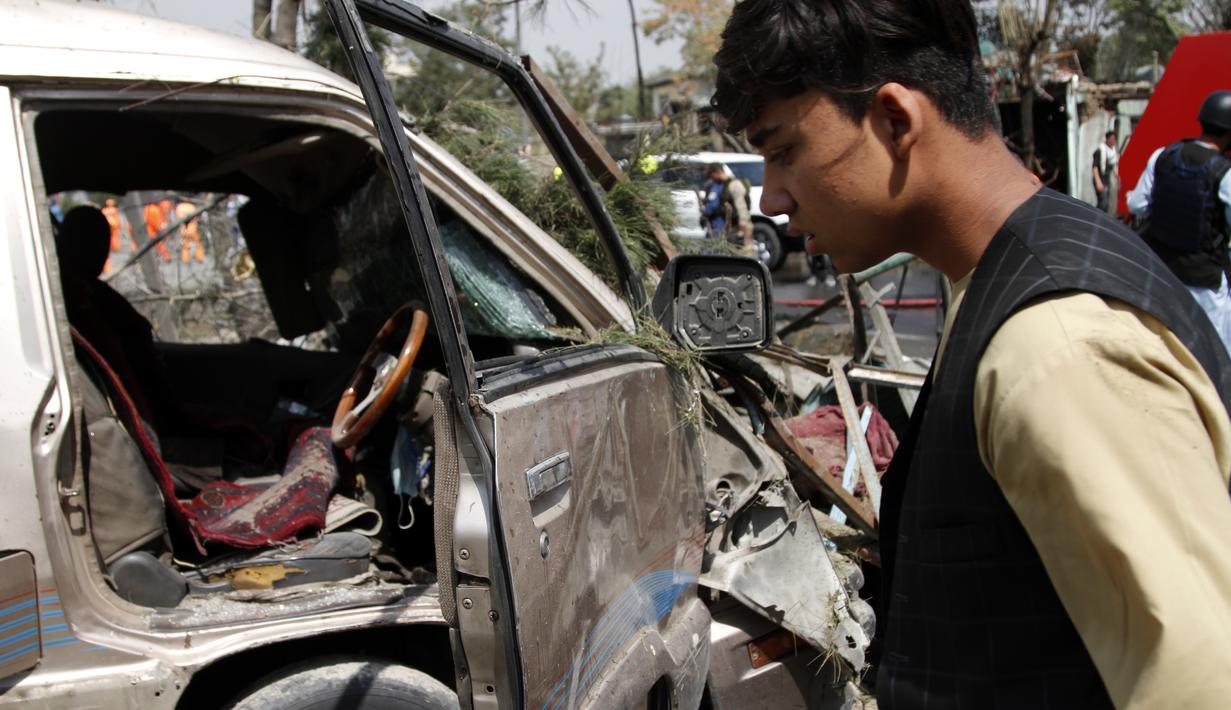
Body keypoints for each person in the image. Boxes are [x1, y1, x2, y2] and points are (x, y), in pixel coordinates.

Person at [711, 2, 1231, 708]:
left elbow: (1198, 683)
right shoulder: (1000, 280)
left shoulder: (1058, 350)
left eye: (781, 150)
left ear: (894, 121)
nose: (771, 198)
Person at [1127, 90, 1231, 353]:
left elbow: (1136, 204)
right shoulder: (1224, 173)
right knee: (1215, 355)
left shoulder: (1163, 155)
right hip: (1205, 283)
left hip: (1161, 274)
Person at [699, 163, 754, 253]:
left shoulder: (734, 184)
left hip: (736, 228)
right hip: (724, 228)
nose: (712, 179)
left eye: (712, 176)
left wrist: (741, 230)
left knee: (741, 255)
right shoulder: (719, 186)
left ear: (718, 172)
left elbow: (742, 209)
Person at [1092, 129, 1118, 213]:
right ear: (1107, 139)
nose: (1113, 141)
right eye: (1111, 139)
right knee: (1103, 203)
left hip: (1106, 179)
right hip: (1100, 178)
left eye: (1114, 139)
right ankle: (1095, 219)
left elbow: (1113, 166)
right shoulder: (1100, 150)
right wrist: (1098, 182)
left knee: (1106, 204)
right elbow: (1095, 167)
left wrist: (1117, 178)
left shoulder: (1113, 152)